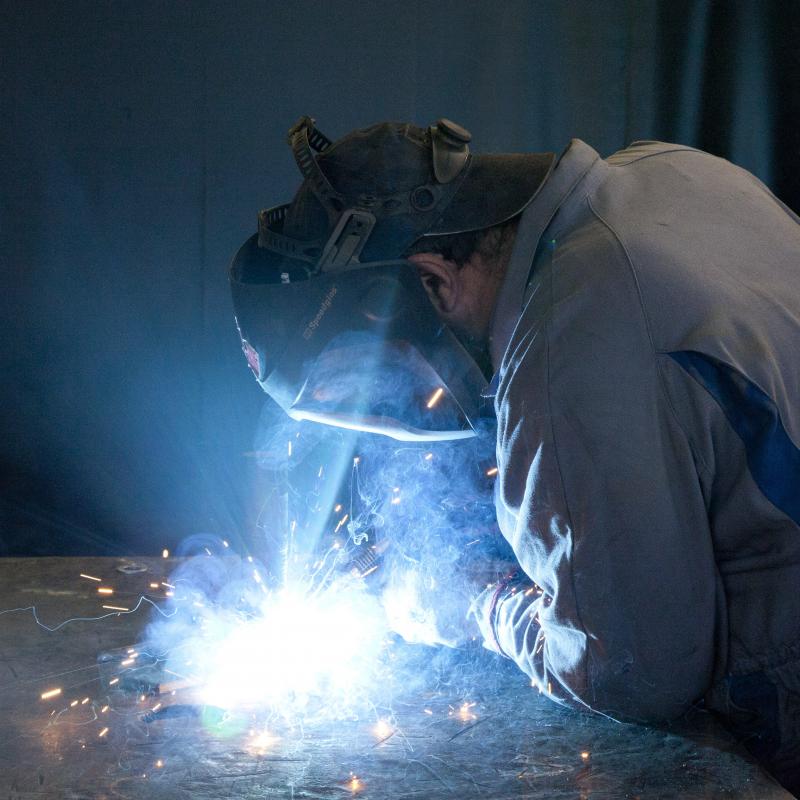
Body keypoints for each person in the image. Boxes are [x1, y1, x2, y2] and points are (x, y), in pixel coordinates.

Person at [229, 116, 800, 794]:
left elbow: (634, 675)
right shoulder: (667, 171)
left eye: (392, 372)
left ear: (434, 283)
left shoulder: (567, 341)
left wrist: (479, 603)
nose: (409, 396)